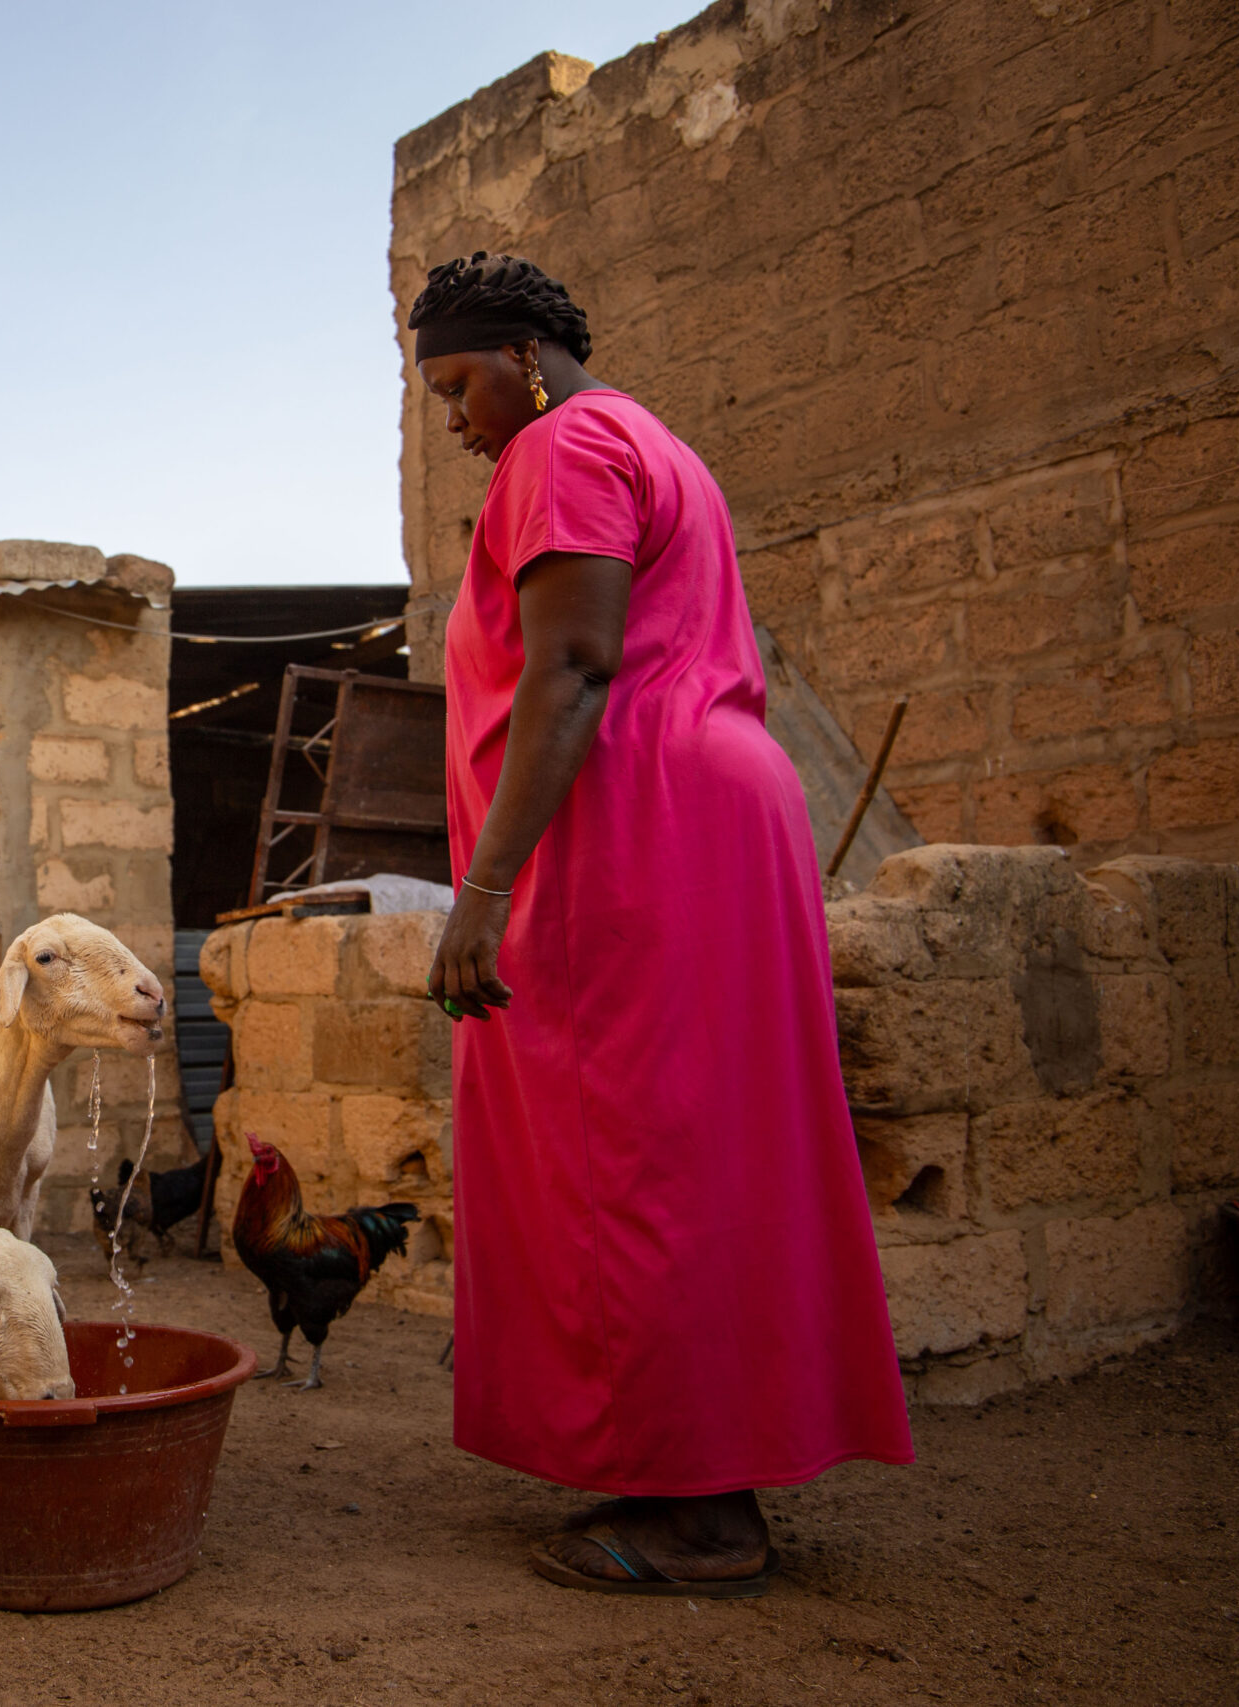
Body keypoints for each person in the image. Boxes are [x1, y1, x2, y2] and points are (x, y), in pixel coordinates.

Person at [412, 252, 912, 1596]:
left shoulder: (565, 449)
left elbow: (574, 668)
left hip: (631, 836)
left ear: (523, 352)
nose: (456, 422)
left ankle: (702, 1516)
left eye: (460, 386)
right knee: (701, 1145)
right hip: (713, 815)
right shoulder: (654, 443)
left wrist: (488, 889)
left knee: (629, 1154)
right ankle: (691, 1462)